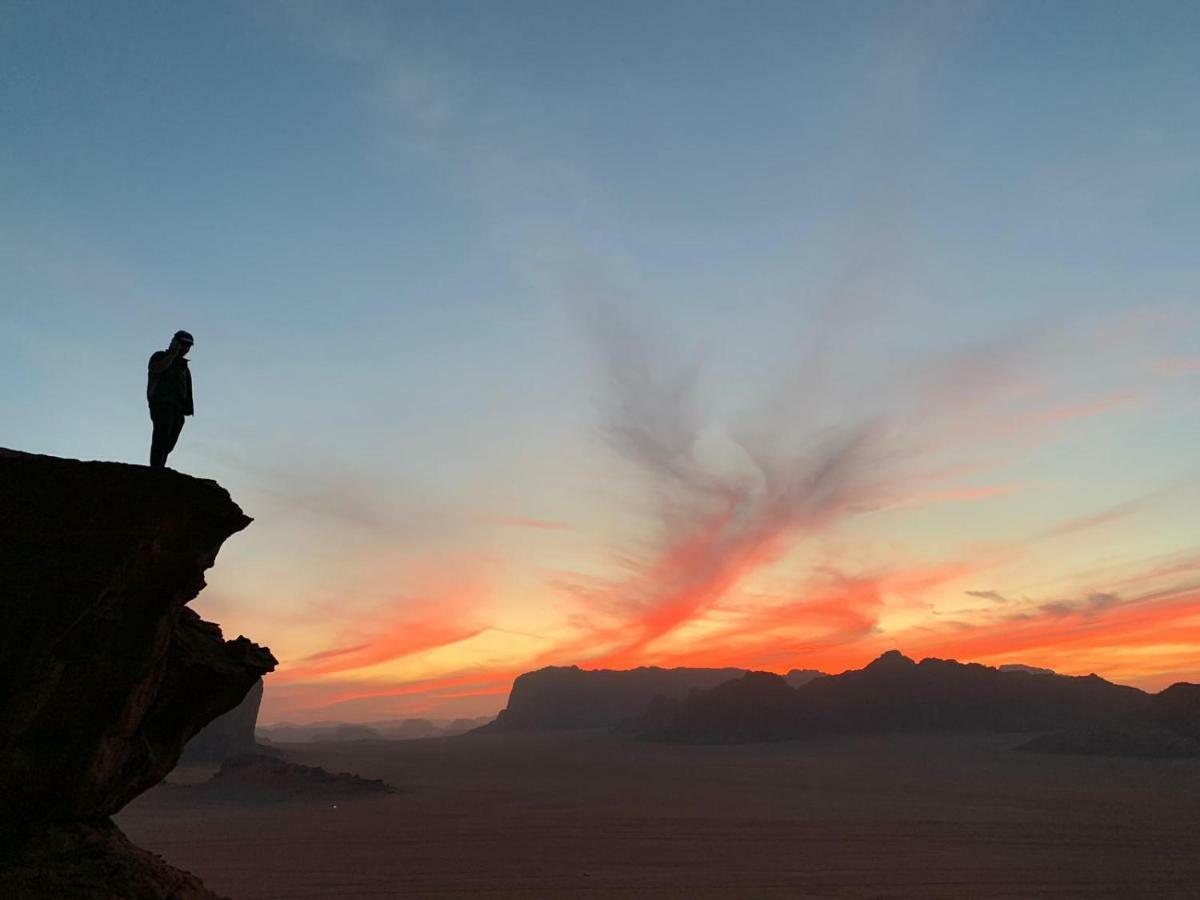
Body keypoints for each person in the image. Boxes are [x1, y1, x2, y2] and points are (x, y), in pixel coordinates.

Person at [147, 330, 194, 469]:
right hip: (161, 403)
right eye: (183, 344)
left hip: (178, 408)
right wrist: (172, 354)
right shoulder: (160, 356)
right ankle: (156, 467)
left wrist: (187, 407)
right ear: (175, 342)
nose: (186, 348)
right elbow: (156, 368)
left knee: (170, 440)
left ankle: (159, 464)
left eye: (188, 346)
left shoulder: (184, 366)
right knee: (161, 435)